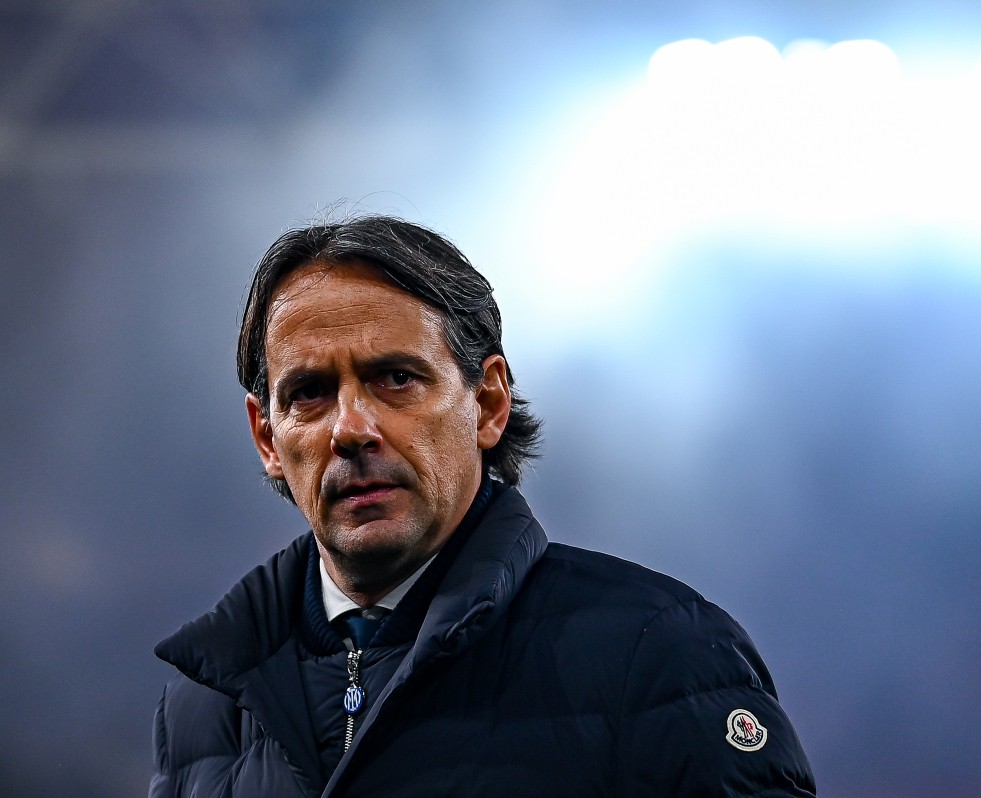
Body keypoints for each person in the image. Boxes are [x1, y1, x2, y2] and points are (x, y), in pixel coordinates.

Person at [150, 215, 817, 798]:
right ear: (267, 437)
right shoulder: (204, 704)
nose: (351, 428)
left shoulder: (658, 652)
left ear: (489, 403)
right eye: (311, 392)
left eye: (395, 379)